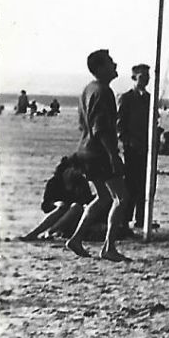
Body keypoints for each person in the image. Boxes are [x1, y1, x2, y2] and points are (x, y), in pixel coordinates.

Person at [65, 49, 130, 261]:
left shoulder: (87, 90)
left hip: (84, 150)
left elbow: (84, 124)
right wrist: (113, 156)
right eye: (110, 62)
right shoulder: (103, 91)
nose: (115, 65)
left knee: (103, 197)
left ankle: (76, 239)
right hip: (98, 151)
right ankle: (109, 247)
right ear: (100, 68)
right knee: (121, 197)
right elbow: (101, 127)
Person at [22, 155, 96, 241]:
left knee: (76, 207)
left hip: (76, 219)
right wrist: (56, 203)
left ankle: (50, 232)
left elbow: (87, 201)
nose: (77, 172)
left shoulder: (81, 183)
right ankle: (34, 234)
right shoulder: (54, 183)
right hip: (58, 217)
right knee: (63, 207)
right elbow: (45, 207)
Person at [117, 63, 155, 231]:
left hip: (147, 147)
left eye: (147, 76)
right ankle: (125, 219)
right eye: (142, 76)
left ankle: (142, 218)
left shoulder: (149, 99)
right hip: (132, 148)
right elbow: (120, 125)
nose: (145, 79)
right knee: (131, 184)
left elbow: (154, 121)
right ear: (134, 78)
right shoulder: (126, 98)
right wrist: (128, 142)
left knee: (146, 183)